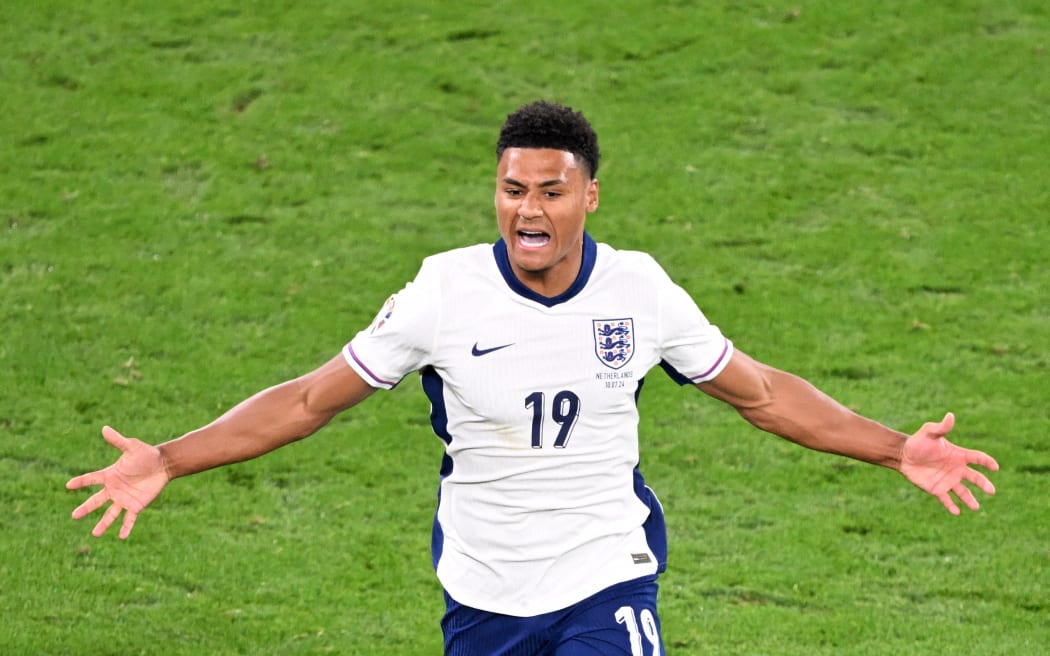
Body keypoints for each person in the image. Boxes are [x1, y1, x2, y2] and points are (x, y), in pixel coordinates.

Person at [68, 101, 999, 656]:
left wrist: (892, 450)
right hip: (483, 587)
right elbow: (312, 400)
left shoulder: (640, 290)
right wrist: (171, 460)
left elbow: (757, 392)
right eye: (514, 189)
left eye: (552, 190)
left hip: (608, 572)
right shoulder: (443, 293)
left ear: (588, 195)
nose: (530, 209)